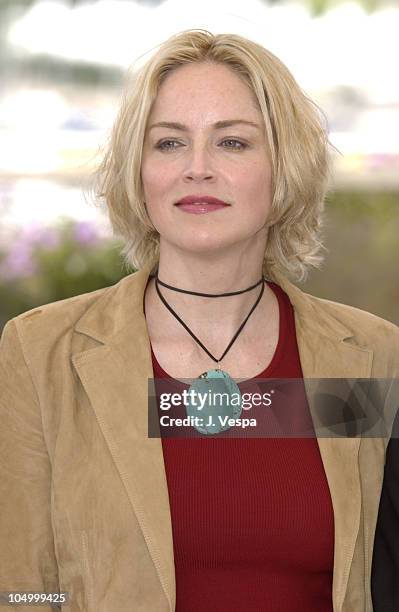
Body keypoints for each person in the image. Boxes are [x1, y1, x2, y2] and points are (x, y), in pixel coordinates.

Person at [0, 28, 398, 612]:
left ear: (284, 164)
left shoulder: (369, 354)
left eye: (232, 142)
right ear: (138, 170)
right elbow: (24, 590)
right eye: (168, 144)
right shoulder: (41, 353)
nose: (197, 168)